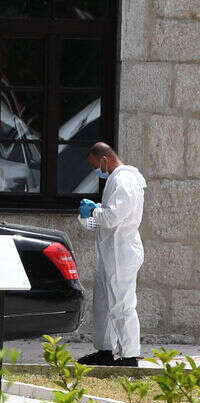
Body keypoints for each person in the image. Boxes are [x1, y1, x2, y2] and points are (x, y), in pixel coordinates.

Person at [76, 141, 146, 368]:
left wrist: (94, 210)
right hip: (111, 252)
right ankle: (105, 351)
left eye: (96, 165)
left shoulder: (124, 179)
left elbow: (112, 217)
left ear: (104, 159)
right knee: (104, 305)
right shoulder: (117, 179)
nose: (97, 170)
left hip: (121, 252)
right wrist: (92, 213)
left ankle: (129, 355)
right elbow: (106, 219)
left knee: (122, 304)